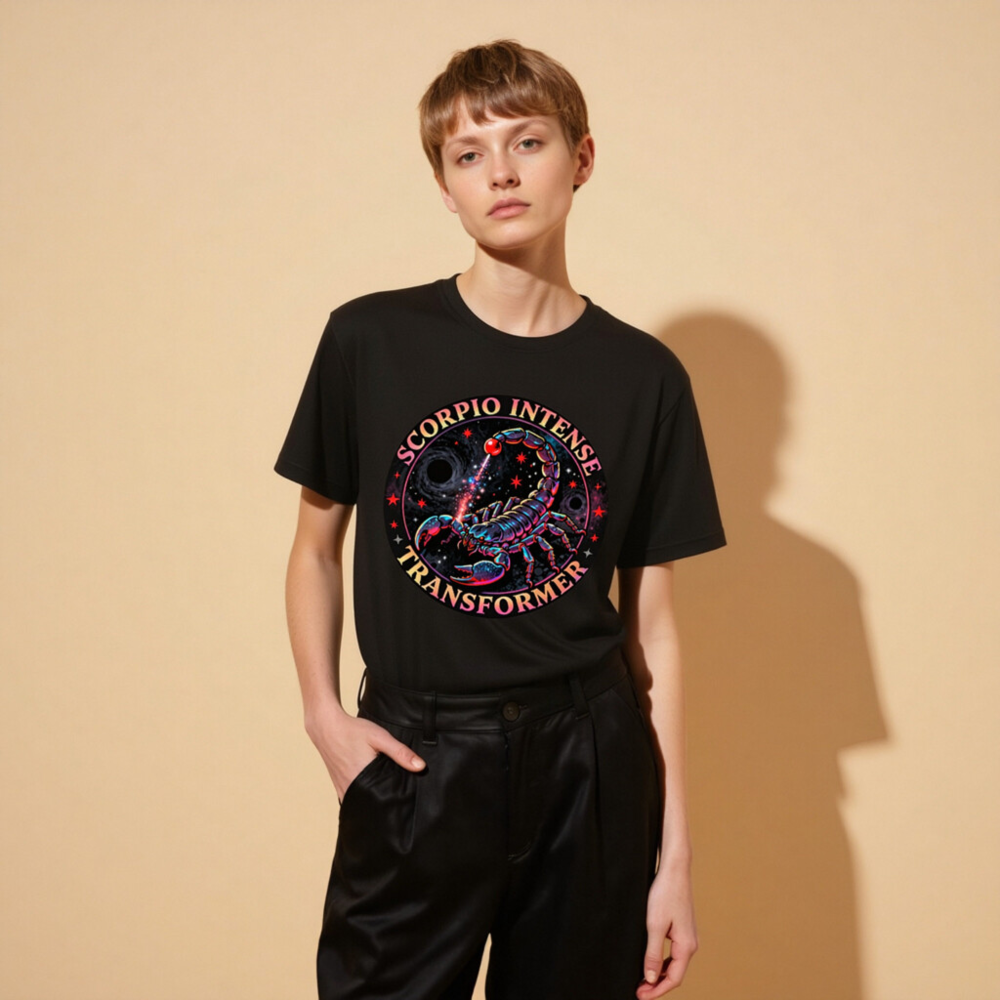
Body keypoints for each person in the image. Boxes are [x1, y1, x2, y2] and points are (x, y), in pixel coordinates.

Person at [274, 39, 726, 1000]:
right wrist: (325, 717)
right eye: (469, 155)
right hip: (420, 756)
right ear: (444, 186)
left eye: (528, 142)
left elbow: (654, 630)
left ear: (582, 158)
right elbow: (314, 550)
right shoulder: (371, 340)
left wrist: (673, 857)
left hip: (589, 761)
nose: (502, 174)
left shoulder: (644, 378)